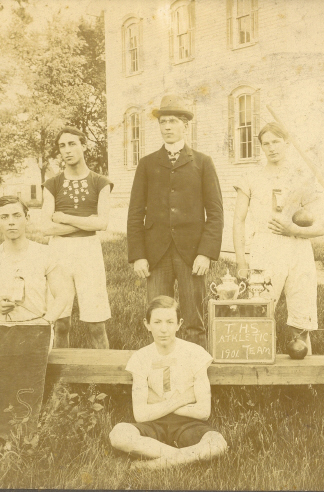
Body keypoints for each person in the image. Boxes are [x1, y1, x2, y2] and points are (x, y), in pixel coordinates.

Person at [0, 195, 71, 466]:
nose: (11, 222)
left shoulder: (44, 253)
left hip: (34, 327)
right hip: (0, 326)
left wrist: (47, 321)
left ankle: (11, 437)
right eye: (4, 217)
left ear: (26, 218)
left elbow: (64, 293)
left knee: (17, 370)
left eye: (16, 215)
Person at [127, 94, 224, 349]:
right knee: (160, 319)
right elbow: (135, 212)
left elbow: (215, 213)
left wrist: (205, 253)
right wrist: (138, 255)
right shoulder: (147, 164)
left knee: (194, 318)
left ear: (185, 125)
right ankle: (163, 374)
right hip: (156, 253)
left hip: (192, 254)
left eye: (173, 121)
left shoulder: (202, 163)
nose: (167, 126)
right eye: (163, 122)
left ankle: (197, 373)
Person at [233, 122, 324, 359]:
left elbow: (320, 227)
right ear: (261, 147)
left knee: (302, 314)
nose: (271, 148)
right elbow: (238, 221)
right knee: (259, 310)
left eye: (276, 142)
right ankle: (254, 370)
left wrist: (292, 229)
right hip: (265, 248)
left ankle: (306, 379)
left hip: (297, 248)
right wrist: (242, 260)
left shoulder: (303, 177)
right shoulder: (251, 177)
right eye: (266, 143)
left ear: (287, 142)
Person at [109, 295, 228, 469]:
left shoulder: (195, 353)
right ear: (147, 324)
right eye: (157, 322)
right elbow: (140, 415)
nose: (163, 329)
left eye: (170, 322)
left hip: (188, 425)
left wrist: (159, 402)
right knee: (118, 435)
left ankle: (152, 466)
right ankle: (181, 459)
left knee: (218, 444)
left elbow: (203, 412)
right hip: (153, 425)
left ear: (179, 324)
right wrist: (182, 399)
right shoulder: (141, 357)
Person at [40, 127, 113, 349]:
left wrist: (63, 217)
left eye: (72, 144)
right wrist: (84, 221)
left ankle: (104, 379)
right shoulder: (52, 184)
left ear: (84, 145)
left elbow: (102, 223)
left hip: (88, 252)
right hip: (58, 252)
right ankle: (62, 380)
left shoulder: (101, 182)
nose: (67, 150)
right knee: (61, 322)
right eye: (62, 146)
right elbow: (45, 228)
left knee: (96, 324)